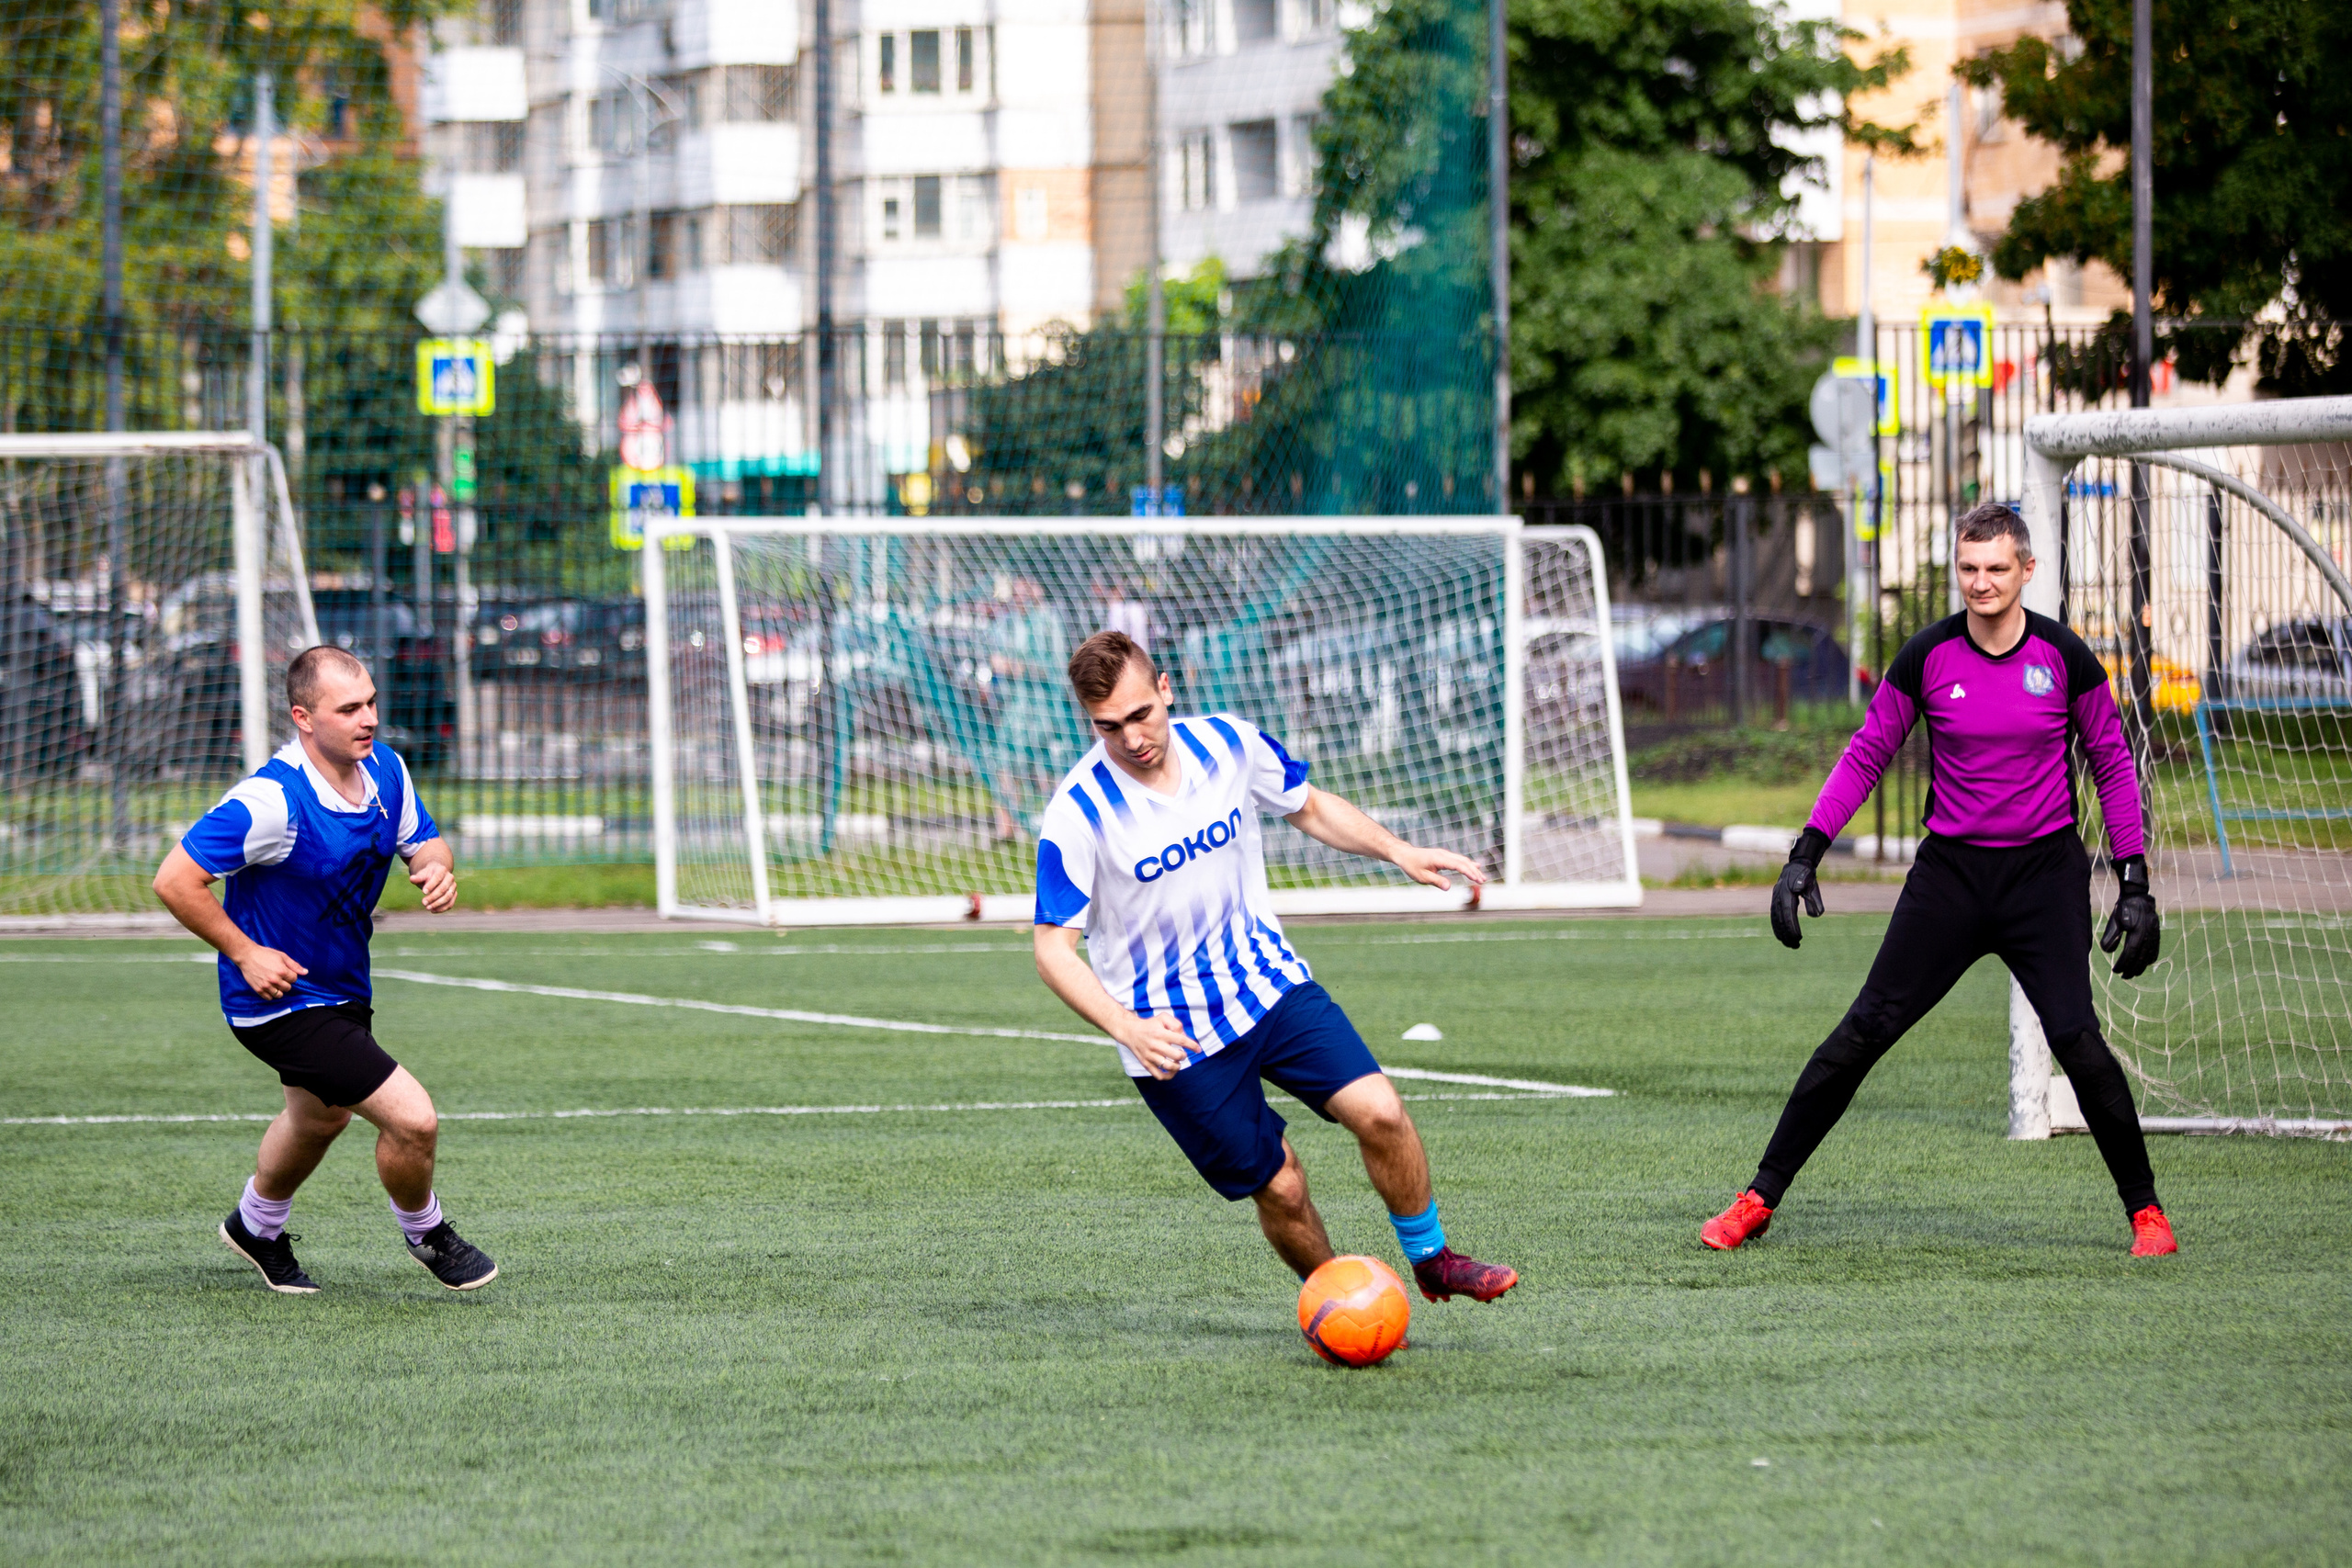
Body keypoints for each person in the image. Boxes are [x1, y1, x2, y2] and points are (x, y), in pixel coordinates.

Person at [1702, 502, 2173, 1257]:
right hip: (1949, 877)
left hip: (2043, 877)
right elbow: (1867, 753)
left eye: (1995, 568)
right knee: (1862, 1031)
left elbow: (2112, 762)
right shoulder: (1927, 656)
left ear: (2026, 570)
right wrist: (1805, 852)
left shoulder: (2065, 657)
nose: (1981, 583)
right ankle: (1757, 1198)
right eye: (1968, 568)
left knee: (2078, 1040)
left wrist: (2135, 880)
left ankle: (2147, 1214)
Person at [1031, 629, 1520, 1302]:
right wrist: (1127, 1027)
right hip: (1174, 1039)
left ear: (1166, 688)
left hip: (1268, 984)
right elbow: (1052, 949)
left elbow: (1310, 805)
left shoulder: (1230, 743)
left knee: (1380, 1110)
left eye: (1141, 714)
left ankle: (1433, 1258)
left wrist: (1397, 850)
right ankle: (1341, 1305)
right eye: (1109, 726)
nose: (1132, 737)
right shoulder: (1076, 812)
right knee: (1283, 1184)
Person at [153, 646, 497, 1294]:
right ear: (304, 718)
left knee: (319, 1118)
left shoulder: (385, 770)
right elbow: (175, 879)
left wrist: (436, 867)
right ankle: (428, 1233)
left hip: (341, 988)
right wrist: (245, 951)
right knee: (412, 1118)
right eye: (349, 708)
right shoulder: (270, 800)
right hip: (279, 1000)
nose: (368, 718)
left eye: (371, 702)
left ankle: (256, 1225)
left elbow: (424, 840)